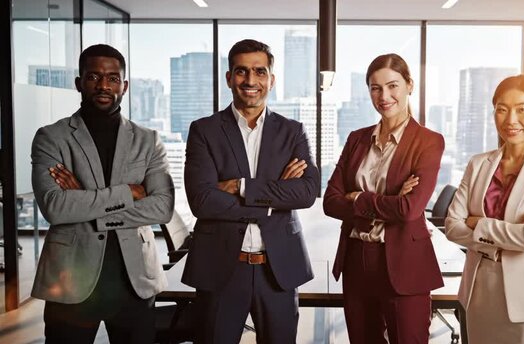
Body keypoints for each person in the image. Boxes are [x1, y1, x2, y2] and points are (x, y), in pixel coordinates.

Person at [30, 44, 175, 343]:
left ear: (124, 85)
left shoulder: (148, 140)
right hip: (70, 281)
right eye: (94, 77)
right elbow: (56, 208)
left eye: (112, 78)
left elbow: (161, 207)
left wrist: (85, 198)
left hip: (134, 282)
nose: (103, 85)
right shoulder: (51, 137)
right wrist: (127, 193)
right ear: (79, 83)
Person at [182, 39, 320, 344]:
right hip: (221, 268)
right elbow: (202, 200)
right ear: (229, 77)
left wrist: (239, 187)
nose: (250, 81)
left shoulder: (292, 130)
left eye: (260, 71)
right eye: (241, 71)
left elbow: (308, 191)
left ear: (271, 79)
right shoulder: (204, 130)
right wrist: (274, 198)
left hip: (278, 268)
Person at [323, 53, 445, 344]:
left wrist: (358, 198)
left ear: (409, 85)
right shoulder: (356, 138)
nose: (384, 95)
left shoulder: (428, 141)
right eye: (375, 88)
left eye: (393, 86)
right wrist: (386, 200)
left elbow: (409, 209)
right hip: (356, 260)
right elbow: (330, 201)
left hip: (405, 263)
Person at [445, 74, 524, 343]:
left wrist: (477, 222)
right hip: (480, 291)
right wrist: (512, 231)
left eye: (522, 109)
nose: (510, 120)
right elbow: (452, 227)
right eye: (502, 110)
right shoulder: (478, 164)